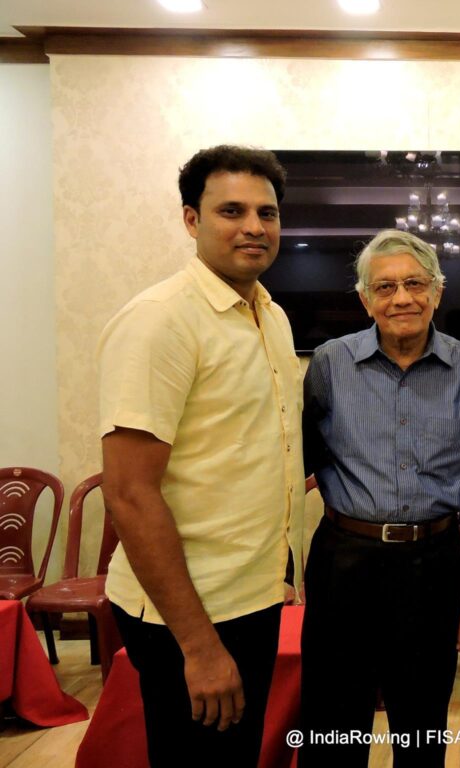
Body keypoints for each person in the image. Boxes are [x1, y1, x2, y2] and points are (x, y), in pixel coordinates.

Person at [99, 145, 304, 768]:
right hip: (189, 613)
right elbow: (129, 493)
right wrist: (200, 647)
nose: (254, 227)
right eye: (231, 211)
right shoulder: (160, 320)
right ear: (191, 219)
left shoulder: (271, 316)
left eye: (267, 213)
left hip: (251, 597)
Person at [300, 229, 460, 767]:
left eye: (415, 284)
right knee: (332, 730)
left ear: (437, 291)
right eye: (385, 287)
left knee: (421, 729)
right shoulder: (330, 365)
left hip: (432, 567)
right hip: (344, 563)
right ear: (365, 299)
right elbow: (294, 465)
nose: (402, 298)